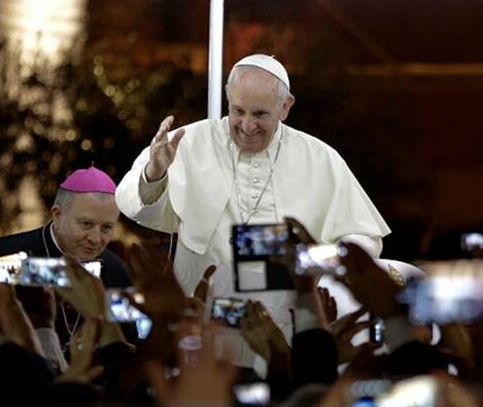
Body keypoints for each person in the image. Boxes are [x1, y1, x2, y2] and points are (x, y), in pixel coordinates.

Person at [116, 54, 389, 331]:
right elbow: (134, 207)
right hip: (200, 318)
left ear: (285, 107)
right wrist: (155, 173)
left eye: (260, 114)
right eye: (238, 111)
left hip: (283, 326)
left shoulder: (320, 158)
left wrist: (313, 261)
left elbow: (363, 240)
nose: (247, 126)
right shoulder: (186, 142)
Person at [0, 166, 130, 288]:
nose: (95, 239)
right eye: (86, 224)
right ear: (57, 215)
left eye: (106, 228)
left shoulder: (116, 272)